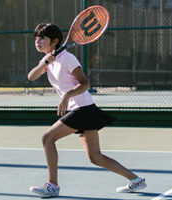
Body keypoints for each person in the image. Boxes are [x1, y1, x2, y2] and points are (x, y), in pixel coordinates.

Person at [28, 23, 146, 197]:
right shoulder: (48, 60)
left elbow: (85, 84)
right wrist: (44, 63)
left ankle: (52, 185)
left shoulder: (68, 59)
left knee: (48, 138)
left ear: (54, 41)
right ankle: (136, 180)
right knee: (95, 157)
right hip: (81, 109)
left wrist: (67, 96)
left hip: (82, 108)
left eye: (42, 38)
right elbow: (31, 77)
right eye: (36, 37)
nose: (37, 41)